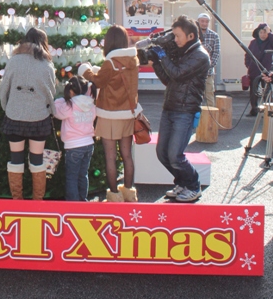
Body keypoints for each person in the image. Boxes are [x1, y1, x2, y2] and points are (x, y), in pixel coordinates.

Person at [148, 15, 210, 203]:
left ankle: (193, 186)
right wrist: (156, 63)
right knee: (162, 153)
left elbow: (177, 73)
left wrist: (162, 55)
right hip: (170, 108)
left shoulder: (200, 55)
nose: (174, 40)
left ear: (191, 36)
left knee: (175, 155)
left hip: (185, 111)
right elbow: (169, 79)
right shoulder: (183, 52)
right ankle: (182, 182)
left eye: (177, 36)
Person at [81, 25, 140, 203]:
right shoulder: (134, 61)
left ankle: (114, 194)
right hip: (127, 113)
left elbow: (98, 81)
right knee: (127, 155)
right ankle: (129, 192)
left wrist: (85, 71)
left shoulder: (110, 62)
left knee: (110, 157)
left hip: (108, 114)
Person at [0, 27, 56, 201]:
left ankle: (18, 200)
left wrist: (8, 107)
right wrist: (51, 111)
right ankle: (37, 202)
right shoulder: (47, 65)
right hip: (39, 118)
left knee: (15, 159)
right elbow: (51, 93)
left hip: (14, 116)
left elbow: (3, 89)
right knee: (37, 160)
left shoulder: (14, 61)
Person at [54, 75, 96, 202]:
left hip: (73, 146)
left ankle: (73, 204)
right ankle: (83, 200)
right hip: (89, 143)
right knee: (83, 175)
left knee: (71, 177)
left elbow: (57, 112)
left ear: (71, 91)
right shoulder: (91, 103)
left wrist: (59, 100)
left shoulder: (69, 105)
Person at [244, 23, 273, 116]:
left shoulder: (270, 42)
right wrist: (248, 64)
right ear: (258, 33)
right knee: (253, 92)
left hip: (267, 71)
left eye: (265, 32)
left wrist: (270, 33)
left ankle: (267, 111)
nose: (263, 34)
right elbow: (247, 54)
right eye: (261, 32)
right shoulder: (253, 42)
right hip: (254, 70)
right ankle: (254, 110)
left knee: (267, 92)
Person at [197, 12, 220, 107]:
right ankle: (196, 118)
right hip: (194, 72)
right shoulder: (193, 35)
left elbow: (216, 53)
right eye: (202, 21)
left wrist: (209, 66)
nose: (204, 23)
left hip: (208, 72)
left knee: (209, 94)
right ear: (198, 22)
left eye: (206, 22)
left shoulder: (214, 36)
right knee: (195, 95)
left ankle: (212, 118)